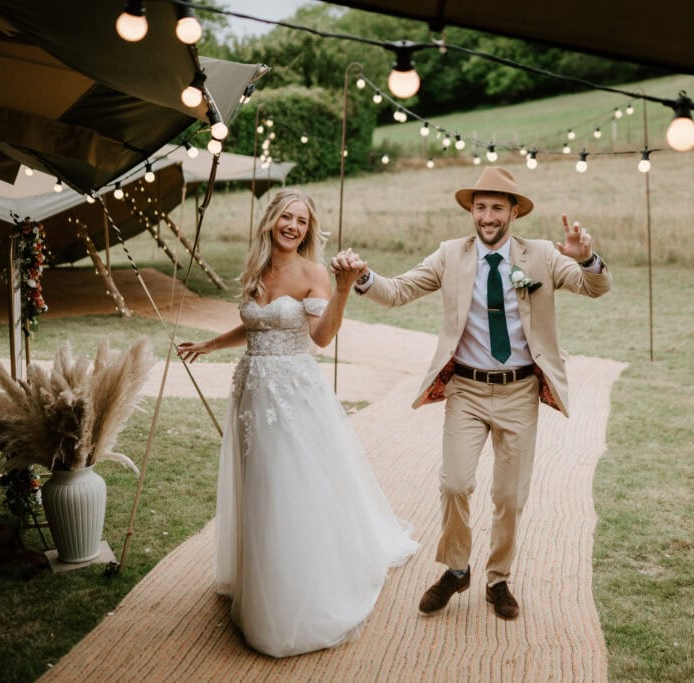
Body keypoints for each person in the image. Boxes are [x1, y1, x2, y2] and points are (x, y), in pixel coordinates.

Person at [331, 166, 611, 620]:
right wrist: (364, 277)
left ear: (513, 211)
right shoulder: (449, 255)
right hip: (467, 390)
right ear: (471, 211)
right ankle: (456, 569)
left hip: (520, 392)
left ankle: (498, 579)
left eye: (496, 207)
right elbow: (398, 291)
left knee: (509, 498)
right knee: (455, 483)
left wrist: (586, 258)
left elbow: (595, 287)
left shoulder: (540, 255)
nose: (487, 216)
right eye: (480, 207)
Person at [177, 189, 418, 658]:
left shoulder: (312, 274)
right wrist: (210, 345)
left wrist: (343, 288)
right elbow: (257, 325)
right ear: (270, 220)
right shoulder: (257, 269)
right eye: (286, 217)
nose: (293, 226)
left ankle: (293, 601)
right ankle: (260, 578)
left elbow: (322, 337)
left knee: (288, 486)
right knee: (259, 487)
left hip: (292, 395)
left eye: (302, 221)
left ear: (309, 230)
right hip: (251, 391)